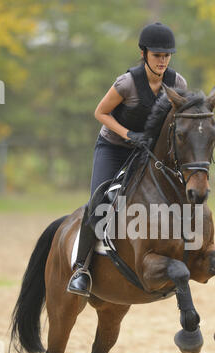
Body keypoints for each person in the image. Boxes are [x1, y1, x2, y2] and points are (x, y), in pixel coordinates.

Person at [67, 22, 188, 297]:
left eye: (167, 55)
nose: (163, 61)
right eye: (157, 55)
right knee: (99, 200)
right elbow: (100, 112)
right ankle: (81, 269)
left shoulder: (177, 83)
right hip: (113, 147)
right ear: (144, 53)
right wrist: (129, 134)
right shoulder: (127, 83)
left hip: (147, 150)